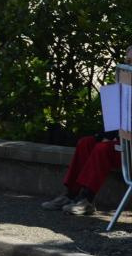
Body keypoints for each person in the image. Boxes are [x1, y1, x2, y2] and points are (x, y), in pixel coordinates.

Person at [41, 46, 132, 216]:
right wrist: (106, 136)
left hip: (129, 148)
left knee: (102, 149)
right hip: (125, 143)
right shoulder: (126, 86)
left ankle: (86, 199)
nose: (127, 66)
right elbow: (118, 118)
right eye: (127, 61)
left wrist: (111, 139)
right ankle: (71, 194)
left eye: (131, 63)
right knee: (86, 143)